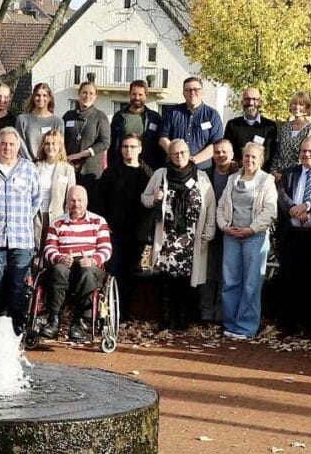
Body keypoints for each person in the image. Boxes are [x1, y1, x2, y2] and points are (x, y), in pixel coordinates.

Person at [141, 139, 217, 330]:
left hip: (191, 239)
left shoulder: (201, 177)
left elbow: (210, 206)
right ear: (169, 156)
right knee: (166, 279)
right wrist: (154, 198)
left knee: (187, 280)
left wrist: (208, 233)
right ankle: (166, 318)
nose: (179, 156)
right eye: (175, 153)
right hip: (166, 237)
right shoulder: (161, 174)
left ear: (189, 154)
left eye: (182, 152)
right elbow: (144, 198)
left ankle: (183, 318)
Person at [0, 127, 41, 336]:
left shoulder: (29, 169)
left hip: (21, 239)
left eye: (12, 144)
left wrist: (19, 220)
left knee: (17, 288)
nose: (7, 148)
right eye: (3, 143)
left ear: (18, 146)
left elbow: (36, 200)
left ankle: (16, 332)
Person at [275, 136, 311, 336]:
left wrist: (307, 206)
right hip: (292, 236)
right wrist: (293, 208)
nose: (306, 154)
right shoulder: (289, 173)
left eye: (310, 151)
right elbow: (282, 194)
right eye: (303, 151)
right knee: (289, 280)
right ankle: (287, 325)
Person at [217, 142, 277, 340]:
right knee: (230, 281)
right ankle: (230, 323)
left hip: (254, 238)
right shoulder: (232, 179)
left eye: (254, 157)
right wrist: (224, 226)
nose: (249, 160)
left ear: (260, 160)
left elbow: (270, 210)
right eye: (246, 156)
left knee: (251, 283)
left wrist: (251, 229)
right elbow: (221, 207)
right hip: (232, 237)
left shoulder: (267, 180)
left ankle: (246, 327)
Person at [40, 185, 112, 341]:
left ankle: (80, 322)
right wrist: (60, 258)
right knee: (58, 270)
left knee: (88, 272)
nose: (76, 204)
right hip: (66, 263)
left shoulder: (99, 221)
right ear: (67, 202)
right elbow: (49, 249)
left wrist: (93, 260)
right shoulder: (57, 223)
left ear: (86, 201)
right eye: (72, 200)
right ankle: (53, 320)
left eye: (80, 200)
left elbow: (106, 249)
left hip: (90, 265)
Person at [97, 133, 152, 311]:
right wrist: (105, 226)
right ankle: (110, 310)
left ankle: (125, 310)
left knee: (130, 271)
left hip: (137, 233)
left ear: (140, 149)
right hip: (114, 231)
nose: (128, 150)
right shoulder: (111, 172)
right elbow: (101, 200)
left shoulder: (148, 174)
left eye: (132, 147)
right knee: (114, 269)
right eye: (125, 147)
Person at [201, 139, 234, 322]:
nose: (221, 155)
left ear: (232, 154)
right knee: (208, 271)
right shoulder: (204, 175)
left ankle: (221, 313)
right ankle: (206, 312)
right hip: (208, 229)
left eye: (224, 152)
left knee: (226, 272)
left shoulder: (238, 176)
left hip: (230, 231)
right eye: (217, 152)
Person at [62, 81, 109, 208]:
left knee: (89, 206)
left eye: (91, 93)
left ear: (95, 96)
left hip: (90, 170)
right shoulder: (68, 116)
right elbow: (60, 140)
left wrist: (80, 155)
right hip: (69, 168)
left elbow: (105, 142)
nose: (87, 96)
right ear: (79, 94)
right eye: (84, 92)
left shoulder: (100, 117)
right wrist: (65, 159)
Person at [159, 77, 223, 171]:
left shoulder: (212, 115)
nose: (192, 93)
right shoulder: (172, 112)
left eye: (196, 89)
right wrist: (177, 156)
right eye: (188, 90)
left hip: (202, 169)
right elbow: (163, 138)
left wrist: (194, 160)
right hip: (175, 170)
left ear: (202, 91)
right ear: (183, 93)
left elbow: (216, 144)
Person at [108, 80, 164, 170]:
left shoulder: (155, 118)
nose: (137, 97)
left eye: (140, 94)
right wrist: (111, 167)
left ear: (146, 96)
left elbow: (159, 147)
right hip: (122, 168)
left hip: (147, 168)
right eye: (134, 94)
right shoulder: (119, 116)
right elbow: (112, 144)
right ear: (130, 94)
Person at [34, 129, 76, 246]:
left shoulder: (68, 169)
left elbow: (70, 198)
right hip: (37, 217)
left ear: (60, 146)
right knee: (36, 251)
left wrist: (68, 222)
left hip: (57, 218)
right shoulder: (35, 166)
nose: (50, 147)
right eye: (47, 143)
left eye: (54, 143)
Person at [223, 88, 276, 172]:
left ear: (260, 103)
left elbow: (269, 154)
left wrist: (252, 167)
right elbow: (227, 150)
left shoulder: (269, 126)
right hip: (237, 172)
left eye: (254, 99)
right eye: (247, 99)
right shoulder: (232, 125)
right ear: (242, 102)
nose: (251, 103)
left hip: (260, 173)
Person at [271, 91, 311, 176]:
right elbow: (277, 152)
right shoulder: (285, 127)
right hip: (281, 174)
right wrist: (274, 172)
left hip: (299, 175)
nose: (297, 107)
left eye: (301, 104)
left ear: (307, 107)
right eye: (294, 103)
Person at [14, 84, 61, 161]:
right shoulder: (22, 120)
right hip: (27, 164)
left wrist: (46, 164)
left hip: (50, 165)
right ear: (33, 97)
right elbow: (21, 145)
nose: (41, 98)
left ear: (49, 98)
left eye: (44, 95)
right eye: (38, 95)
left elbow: (59, 147)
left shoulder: (57, 122)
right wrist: (31, 164)